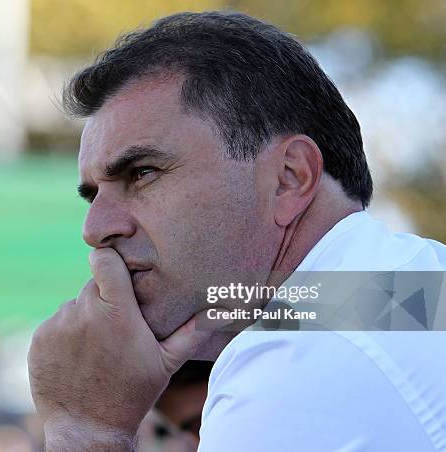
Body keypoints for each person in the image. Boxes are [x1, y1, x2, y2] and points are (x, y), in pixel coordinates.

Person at [27, 11, 446, 451]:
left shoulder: (297, 364)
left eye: (143, 173)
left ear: (289, 178)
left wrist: (88, 431)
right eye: (93, 195)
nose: (95, 228)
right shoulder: (404, 292)